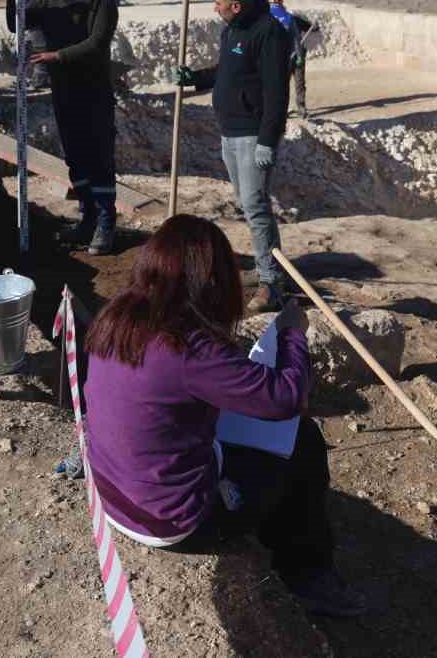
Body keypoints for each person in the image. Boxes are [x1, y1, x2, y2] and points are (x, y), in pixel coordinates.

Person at [82, 214, 364, 618]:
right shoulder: (186, 346)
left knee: (247, 431)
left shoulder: (118, 316)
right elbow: (285, 398)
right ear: (210, 280)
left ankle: (282, 539)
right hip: (172, 520)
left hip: (113, 494)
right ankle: (307, 575)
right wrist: (292, 333)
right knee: (302, 443)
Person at [173, 0, 292, 311]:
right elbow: (227, 72)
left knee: (256, 207)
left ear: (236, 3)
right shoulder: (232, 29)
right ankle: (264, 267)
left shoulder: (269, 32)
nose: (215, 4)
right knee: (247, 204)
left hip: (253, 135)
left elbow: (276, 93)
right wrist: (194, 77)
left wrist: (268, 140)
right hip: (230, 132)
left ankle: (271, 284)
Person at [5, 0, 120, 253]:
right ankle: (87, 218)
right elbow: (18, 23)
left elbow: (97, 44)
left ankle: (106, 223)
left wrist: (57, 56)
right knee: (76, 158)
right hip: (64, 91)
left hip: (94, 91)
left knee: (99, 157)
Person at [267, 0, 315, 119]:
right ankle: (301, 108)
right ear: (281, 2)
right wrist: (299, 56)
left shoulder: (265, 19)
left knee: (282, 84)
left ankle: (282, 109)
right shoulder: (289, 18)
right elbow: (296, 39)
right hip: (294, 54)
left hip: (280, 57)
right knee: (299, 82)